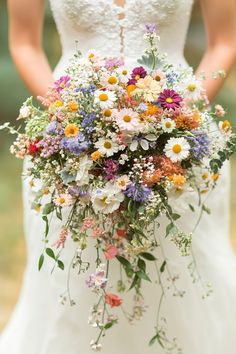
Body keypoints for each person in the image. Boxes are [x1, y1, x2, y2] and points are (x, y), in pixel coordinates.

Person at [1, 0, 236, 353]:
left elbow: (225, 41)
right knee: (75, 281)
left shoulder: (178, 132)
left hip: (180, 142)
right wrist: (74, 122)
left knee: (185, 274)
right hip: (71, 139)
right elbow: (23, 42)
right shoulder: (71, 130)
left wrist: (174, 123)